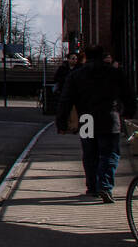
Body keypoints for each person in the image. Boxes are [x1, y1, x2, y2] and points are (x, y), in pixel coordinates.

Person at [56, 45, 137, 202]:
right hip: (109, 117)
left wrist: (61, 123)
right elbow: (128, 94)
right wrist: (128, 112)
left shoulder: (76, 75)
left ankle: (92, 186)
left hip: (86, 118)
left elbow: (65, 100)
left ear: (86, 56)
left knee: (89, 153)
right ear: (103, 56)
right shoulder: (114, 73)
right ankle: (105, 186)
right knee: (110, 153)